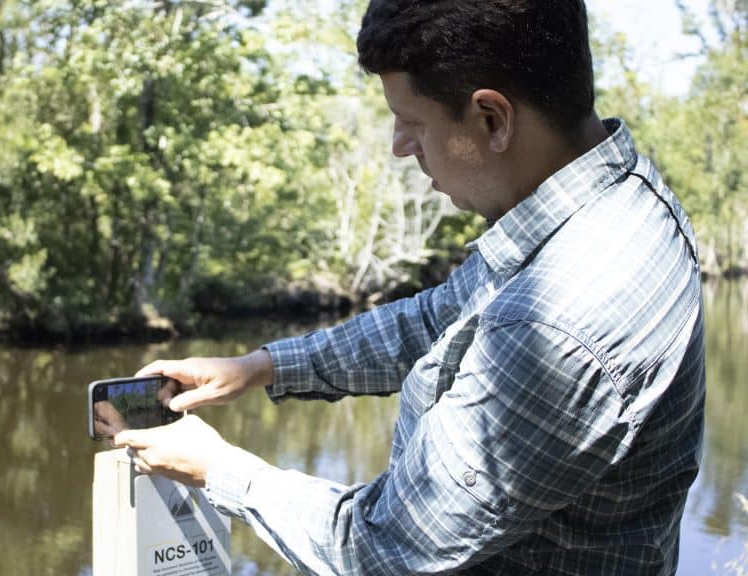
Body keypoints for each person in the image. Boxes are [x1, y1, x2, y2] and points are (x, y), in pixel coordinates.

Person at [114, 0, 706, 574]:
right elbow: (437, 318)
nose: (400, 146)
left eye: (411, 122)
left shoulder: (556, 321)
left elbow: (384, 549)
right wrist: (262, 366)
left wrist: (217, 468)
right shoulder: (621, 195)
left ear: (492, 119)